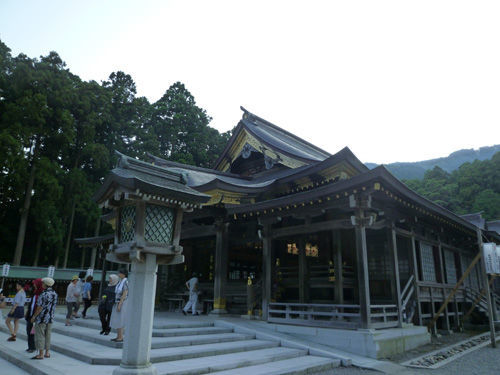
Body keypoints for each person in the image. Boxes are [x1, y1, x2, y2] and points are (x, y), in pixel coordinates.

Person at [30, 277, 57, 360]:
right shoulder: (55, 293)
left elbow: (40, 307)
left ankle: (40, 354)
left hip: (42, 318)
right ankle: (47, 352)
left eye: (43, 283)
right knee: (48, 335)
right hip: (50, 317)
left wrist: (34, 316)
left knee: (40, 335)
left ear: (45, 284)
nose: (42, 285)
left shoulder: (44, 294)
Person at [110, 268, 128, 342]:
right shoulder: (120, 281)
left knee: (120, 319)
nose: (118, 274)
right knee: (117, 319)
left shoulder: (125, 282)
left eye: (119, 273)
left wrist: (120, 304)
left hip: (122, 302)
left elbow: (125, 293)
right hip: (117, 301)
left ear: (123, 274)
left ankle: (120, 337)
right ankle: (118, 336)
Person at [25, 278, 43, 353]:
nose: (34, 285)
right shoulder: (35, 293)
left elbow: (38, 307)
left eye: (35, 283)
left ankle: (33, 347)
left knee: (32, 332)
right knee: (29, 331)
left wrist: (34, 316)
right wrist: (27, 312)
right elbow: (31, 305)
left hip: (35, 316)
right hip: (30, 315)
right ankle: (30, 346)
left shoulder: (41, 294)